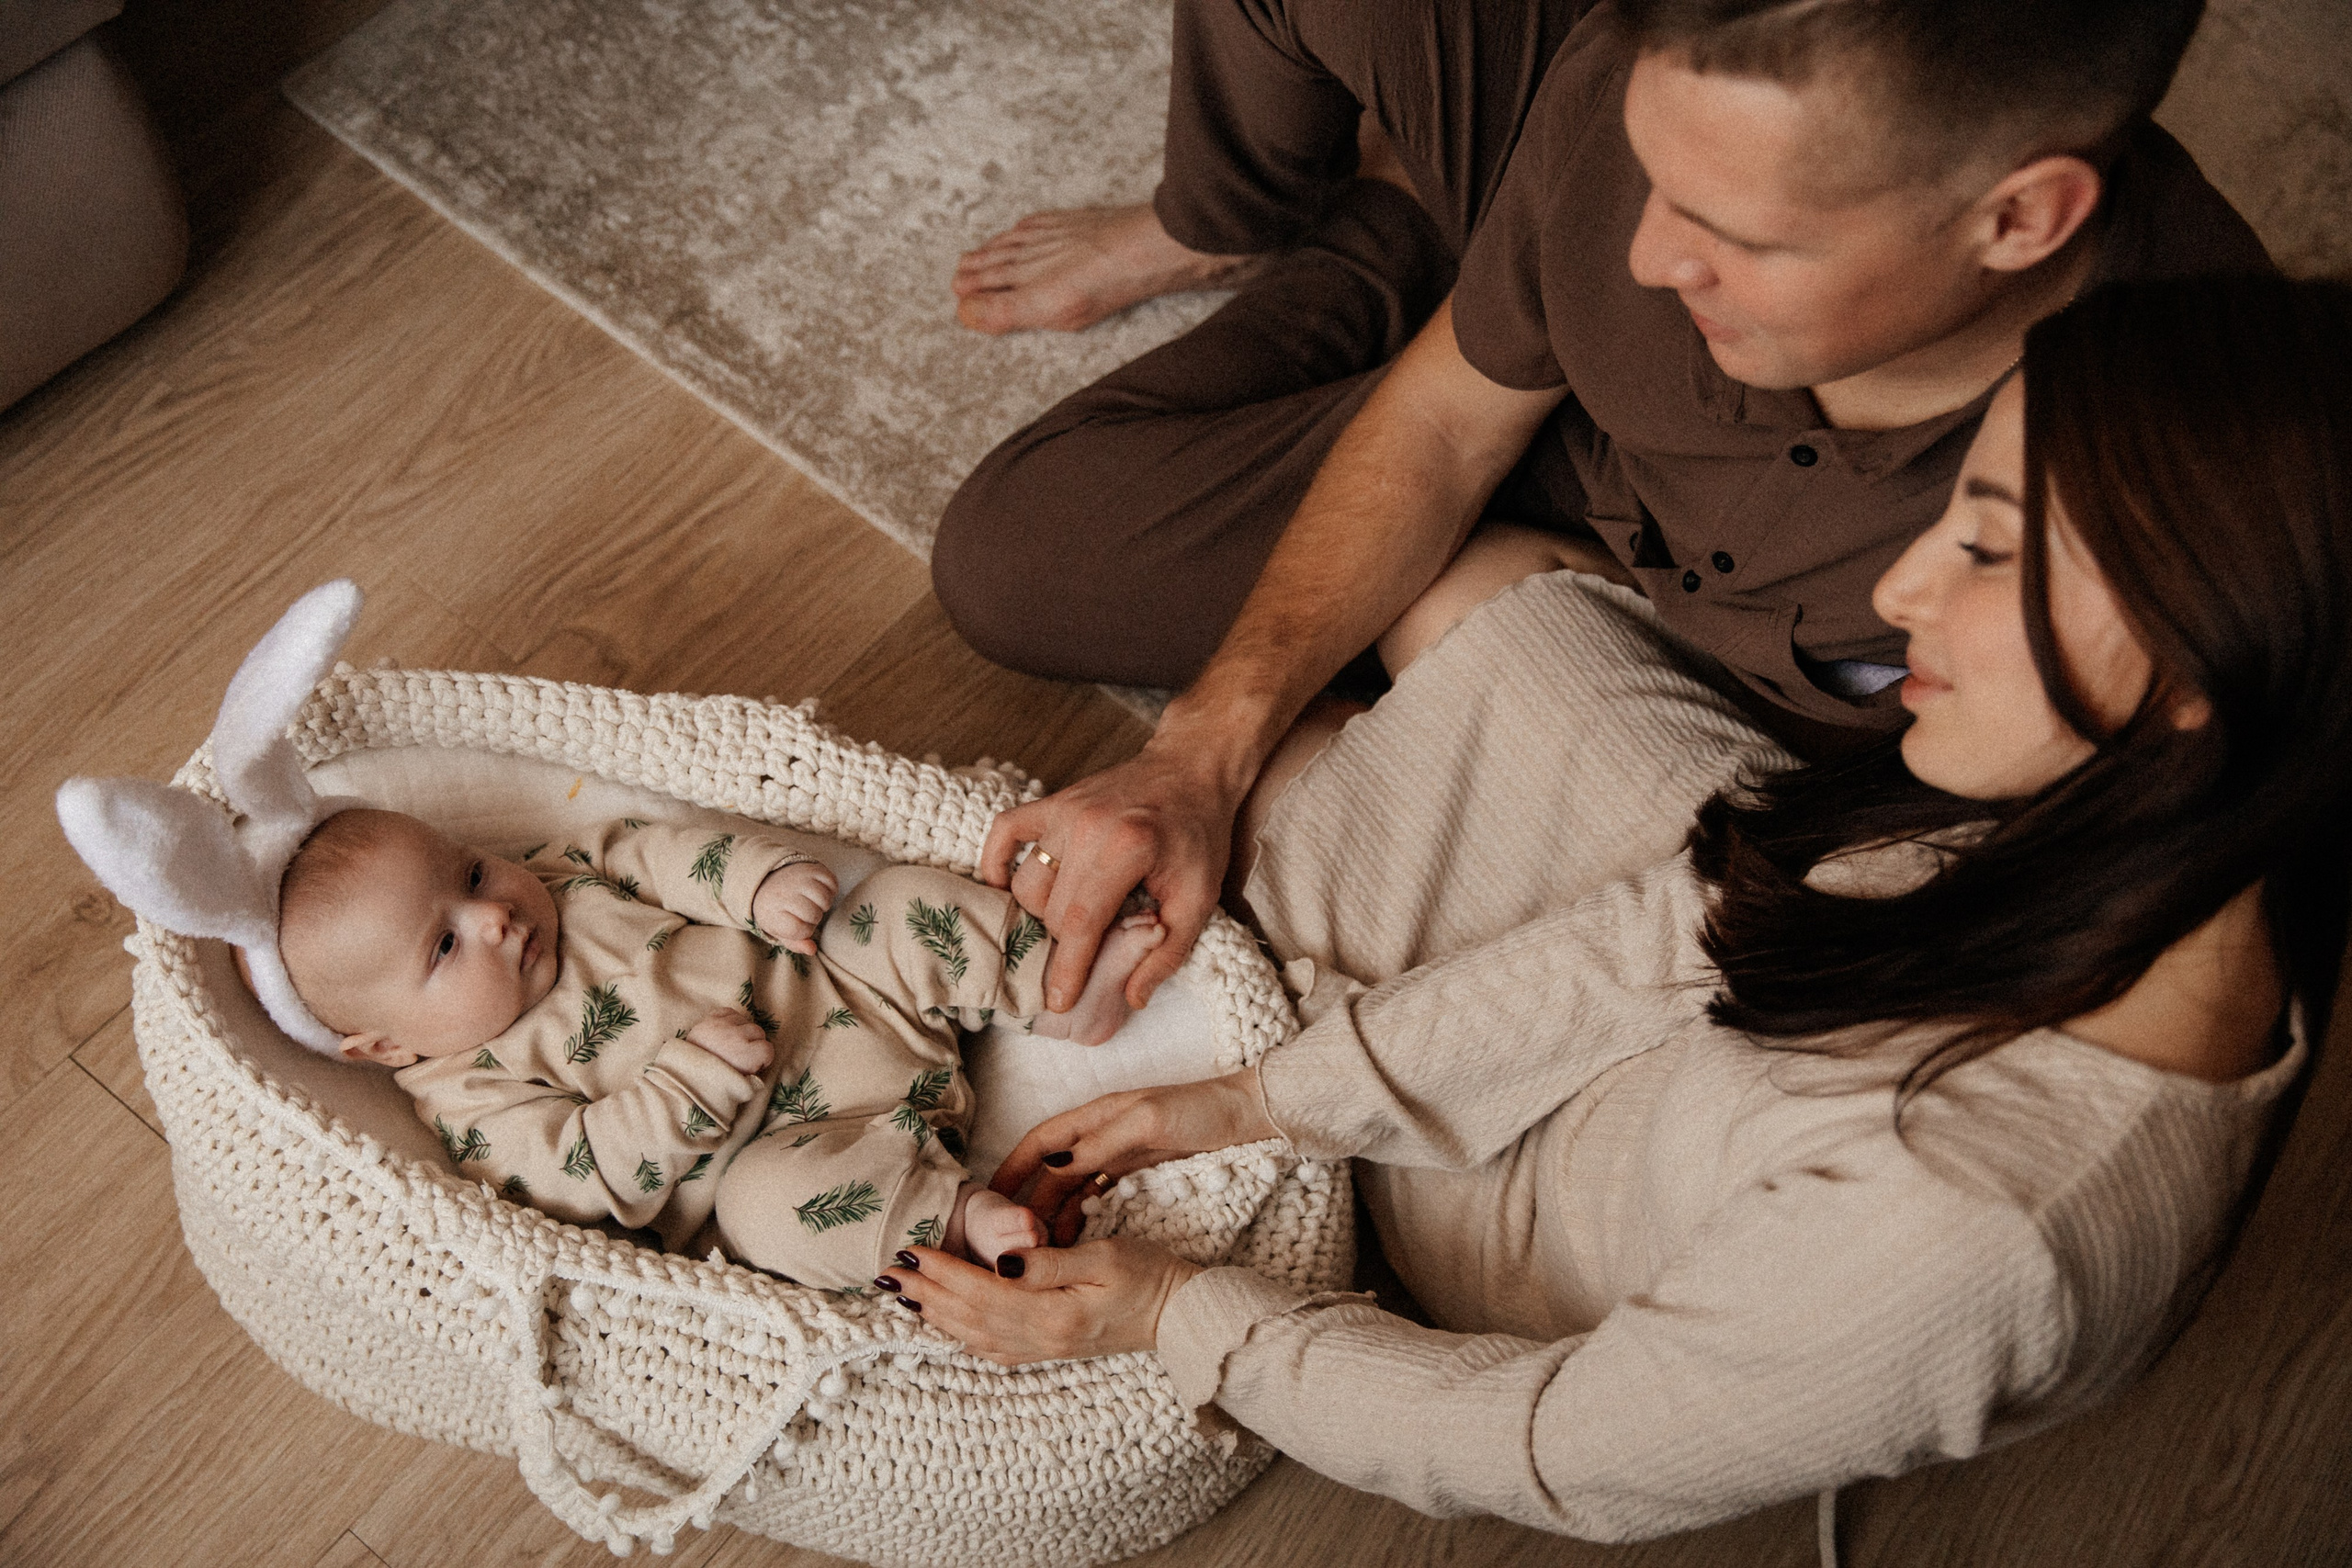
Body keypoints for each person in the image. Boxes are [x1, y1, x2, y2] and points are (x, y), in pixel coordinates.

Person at [871, 275, 2350, 1537]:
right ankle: (1382, 311)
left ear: (2202, 669)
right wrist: (1250, 1097)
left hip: (1549, 1197)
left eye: (1989, 545)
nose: (1902, 587)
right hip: (1738, 1014)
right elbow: (1680, 923)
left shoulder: (1973, 1230)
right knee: (1474, 586)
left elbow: (1537, 1444)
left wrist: (1162, 1310)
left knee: (1309, 756)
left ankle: (1357, 332)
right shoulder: (2159, 838)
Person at [935, 0, 2270, 1026]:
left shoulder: (2188, 476)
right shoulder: (1653, 87)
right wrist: (1202, 753)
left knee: (1021, 548)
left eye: (1732, 231)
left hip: (1644, 625)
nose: (1645, 258)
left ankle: (1403, 227)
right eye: (1650, 178)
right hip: (1556, 438)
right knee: (1007, 569)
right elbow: (1452, 416)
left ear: (2022, 219)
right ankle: (1304, 220)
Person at [273, 810, 1162, 1289]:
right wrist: (679, 1087)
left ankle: (1060, 991)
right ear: (385, 1045)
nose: (494, 915)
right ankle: (956, 1214)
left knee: (886, 908)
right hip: (801, 1152)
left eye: (469, 874)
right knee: (764, 1214)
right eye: (444, 946)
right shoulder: (469, 1093)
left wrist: (758, 883)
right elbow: (580, 1179)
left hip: (853, 995)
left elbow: (666, 854)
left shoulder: (561, 872)